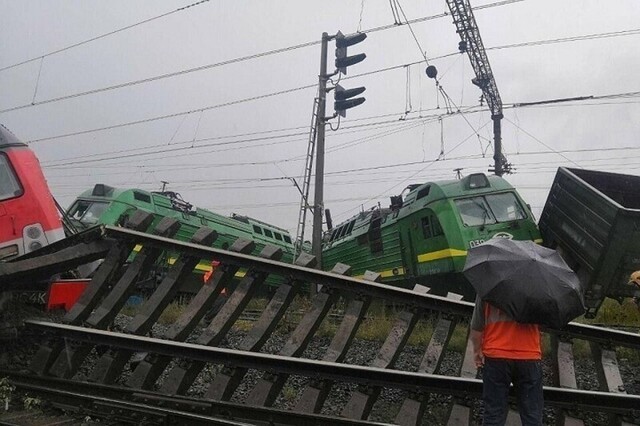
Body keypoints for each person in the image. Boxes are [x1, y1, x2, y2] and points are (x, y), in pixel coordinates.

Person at [470, 295, 543, 426]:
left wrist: (477, 351)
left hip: (496, 355)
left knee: (493, 414)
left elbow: (476, 328)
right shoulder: (538, 289)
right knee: (532, 414)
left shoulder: (488, 286)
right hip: (529, 356)